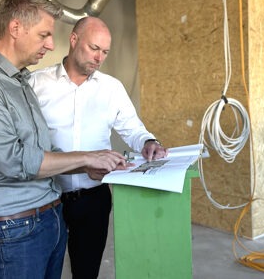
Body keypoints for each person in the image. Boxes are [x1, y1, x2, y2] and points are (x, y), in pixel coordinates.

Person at [0, 0, 128, 279]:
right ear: (15, 28)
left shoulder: (21, 82)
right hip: (12, 231)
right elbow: (15, 160)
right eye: (44, 35)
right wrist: (88, 157)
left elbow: (39, 150)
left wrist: (88, 165)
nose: (50, 45)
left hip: (47, 220)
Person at [28, 16, 168, 279]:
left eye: (105, 52)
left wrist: (149, 142)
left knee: (87, 271)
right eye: (94, 48)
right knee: (44, 271)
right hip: (48, 198)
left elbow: (132, 127)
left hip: (94, 199)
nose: (99, 57)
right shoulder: (36, 85)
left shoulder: (111, 88)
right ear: (73, 40)